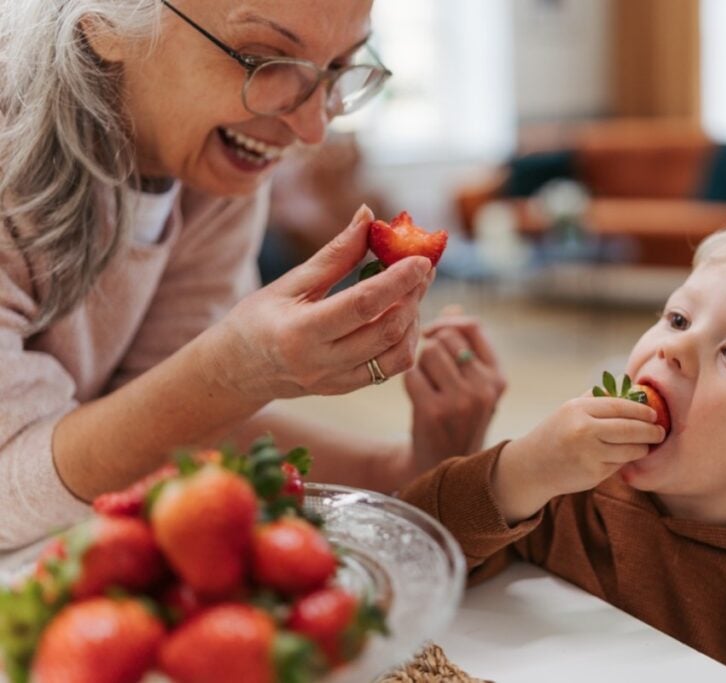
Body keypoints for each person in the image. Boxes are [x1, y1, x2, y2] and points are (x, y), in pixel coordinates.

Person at [0, 0, 505, 551]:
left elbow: (165, 425)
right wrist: (232, 373)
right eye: (261, 58)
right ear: (102, 23)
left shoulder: (217, 169)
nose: (311, 130)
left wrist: (410, 468)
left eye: (339, 68)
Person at [400, 210, 726, 681]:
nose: (674, 348)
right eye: (678, 318)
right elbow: (407, 562)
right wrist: (523, 471)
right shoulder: (571, 485)